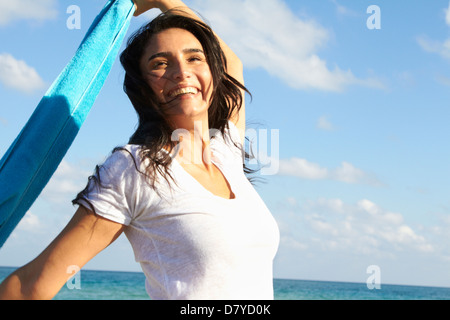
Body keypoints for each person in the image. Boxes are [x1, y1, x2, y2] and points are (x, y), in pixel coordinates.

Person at [0, 0, 279, 300]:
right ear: (144, 87)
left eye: (194, 58)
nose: (181, 72)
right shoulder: (135, 169)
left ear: (213, 72)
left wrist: (162, 1)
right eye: (160, 63)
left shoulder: (227, 152)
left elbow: (231, 62)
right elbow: (32, 286)